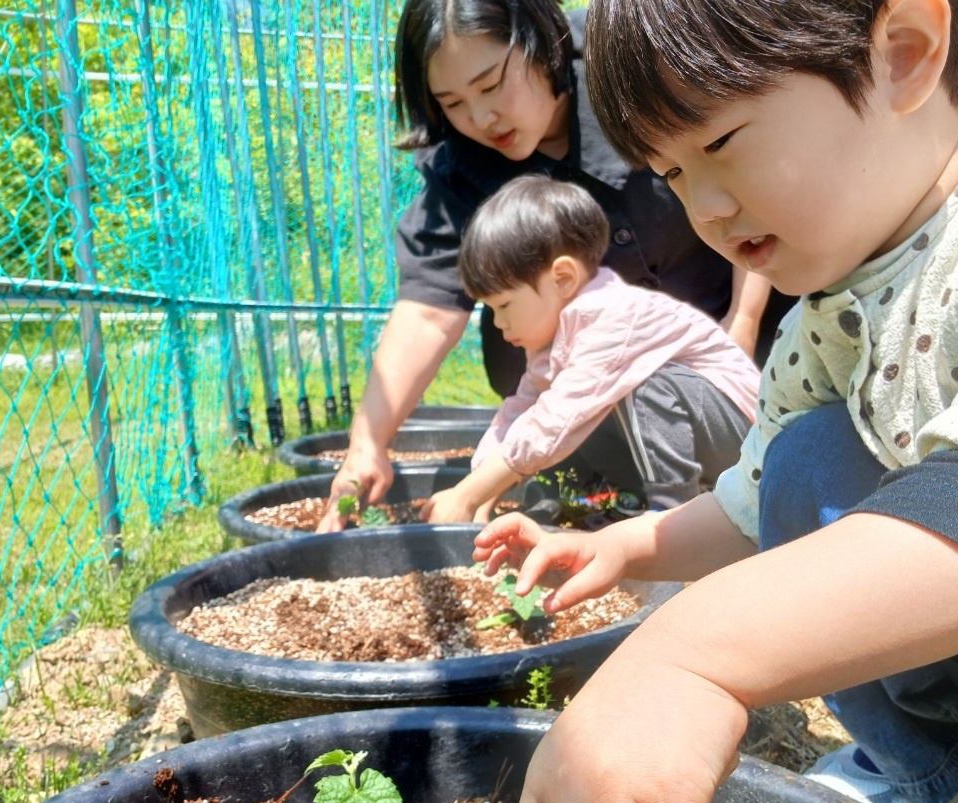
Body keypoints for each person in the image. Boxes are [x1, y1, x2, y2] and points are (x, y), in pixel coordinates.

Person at [464, 1, 958, 803]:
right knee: (807, 458)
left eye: (720, 143)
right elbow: (751, 502)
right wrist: (620, 545)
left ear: (904, 53)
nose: (704, 209)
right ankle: (944, 764)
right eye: (673, 173)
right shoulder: (821, 321)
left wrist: (691, 651)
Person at [316, 0, 793, 533]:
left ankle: (676, 525)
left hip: (739, 352)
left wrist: (742, 323)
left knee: (677, 407)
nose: (482, 118)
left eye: (492, 84)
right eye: (452, 103)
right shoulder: (461, 167)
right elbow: (428, 312)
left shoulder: (638, 58)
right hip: (593, 386)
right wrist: (368, 444)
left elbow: (747, 182)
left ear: (538, 41)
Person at [418, 174, 760, 523]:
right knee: (574, 409)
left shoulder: (611, 317)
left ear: (563, 278)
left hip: (747, 442)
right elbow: (521, 411)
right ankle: (628, 504)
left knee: (636, 386)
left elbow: (558, 418)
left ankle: (671, 515)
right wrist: (480, 490)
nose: (499, 323)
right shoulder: (554, 336)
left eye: (504, 305)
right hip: (704, 439)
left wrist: (468, 494)